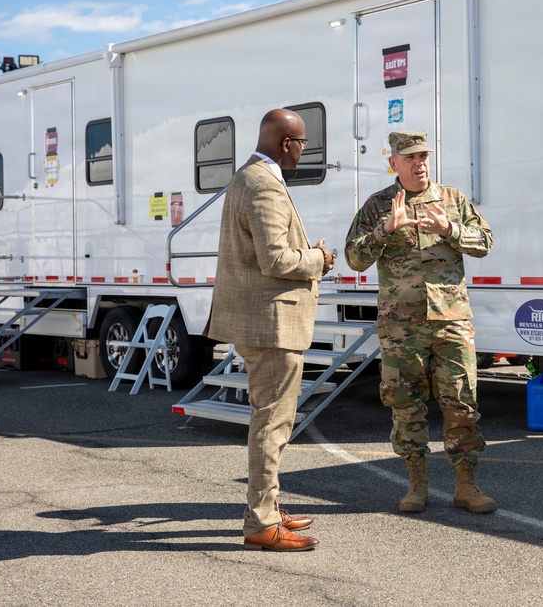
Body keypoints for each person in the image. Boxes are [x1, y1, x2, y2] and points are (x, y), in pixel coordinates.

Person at [344, 130, 496, 514]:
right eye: (410, 157)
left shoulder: (452, 200)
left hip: (451, 322)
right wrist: (385, 230)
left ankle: (467, 488)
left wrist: (450, 230)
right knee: (406, 407)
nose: (420, 163)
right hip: (401, 329)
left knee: (461, 403)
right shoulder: (378, 205)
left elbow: (485, 243)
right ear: (393, 163)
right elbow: (354, 258)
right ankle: (416, 488)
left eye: (424, 156)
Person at [205, 108, 335, 551]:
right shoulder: (263, 185)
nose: (303, 149)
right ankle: (261, 521)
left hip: (262, 321)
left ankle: (268, 509)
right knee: (272, 424)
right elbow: (276, 259)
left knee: (269, 420)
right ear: (285, 144)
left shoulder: (248, 177)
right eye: (301, 142)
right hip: (272, 324)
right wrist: (319, 259)